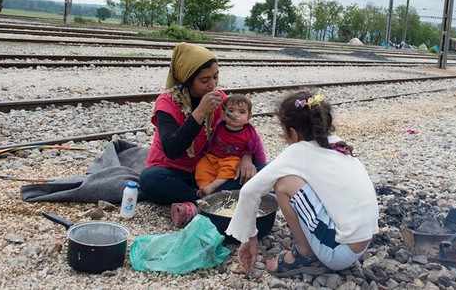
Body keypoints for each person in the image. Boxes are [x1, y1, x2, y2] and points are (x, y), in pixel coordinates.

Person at [226, 91, 379, 277]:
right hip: (360, 243)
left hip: (338, 252)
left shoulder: (298, 151)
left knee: (283, 183)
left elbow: (249, 191)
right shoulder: (336, 143)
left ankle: (305, 254)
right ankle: (314, 245)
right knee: (297, 181)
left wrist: (250, 238)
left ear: (293, 133)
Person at [139, 43, 262, 228]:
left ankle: (198, 203)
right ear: (188, 80)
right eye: (204, 80)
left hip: (209, 169)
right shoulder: (167, 103)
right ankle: (209, 201)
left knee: (259, 170)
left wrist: (246, 158)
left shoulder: (220, 98)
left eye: (216, 76)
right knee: (150, 180)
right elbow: (172, 149)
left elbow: (242, 132)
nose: (212, 84)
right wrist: (200, 112)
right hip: (174, 172)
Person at [195, 94, 266, 197]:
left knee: (232, 168)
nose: (235, 115)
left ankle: (213, 187)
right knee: (201, 166)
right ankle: (204, 187)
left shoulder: (250, 134)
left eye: (241, 112)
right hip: (213, 157)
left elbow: (256, 151)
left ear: (248, 117)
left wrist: (261, 168)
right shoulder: (218, 127)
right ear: (223, 115)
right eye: (231, 111)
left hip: (231, 160)